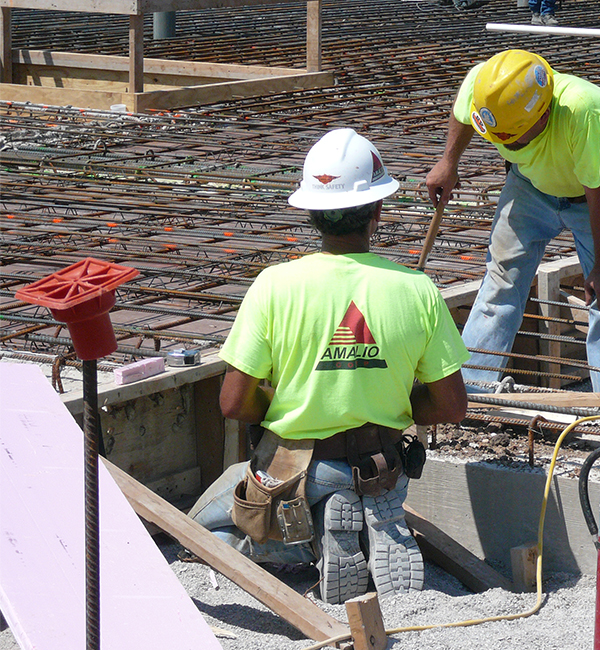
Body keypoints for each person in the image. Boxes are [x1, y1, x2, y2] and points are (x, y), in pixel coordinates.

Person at [187, 127, 469, 605]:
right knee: (363, 486)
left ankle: (315, 531)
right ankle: (363, 519)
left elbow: (234, 403)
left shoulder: (274, 286)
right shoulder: (416, 289)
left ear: (311, 213)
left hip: (301, 466)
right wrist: (393, 400)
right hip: (383, 462)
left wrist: (281, 399)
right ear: (378, 211)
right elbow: (452, 404)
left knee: (202, 528)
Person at [426, 49, 600, 393]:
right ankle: (472, 390)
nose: (504, 144)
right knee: (500, 283)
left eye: (511, 135)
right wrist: (449, 161)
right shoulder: (487, 86)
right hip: (530, 186)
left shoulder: (585, 111)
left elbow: (597, 189)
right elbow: (464, 112)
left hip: (590, 199)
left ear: (543, 114)